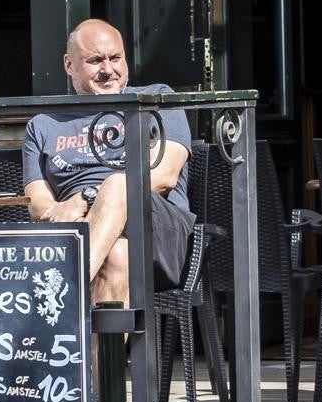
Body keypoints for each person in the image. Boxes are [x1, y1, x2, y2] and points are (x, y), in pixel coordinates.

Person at [22, 18, 194, 308]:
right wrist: (83, 215)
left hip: (158, 231)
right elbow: (38, 205)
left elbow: (164, 176)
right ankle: (95, 356)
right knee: (118, 257)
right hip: (83, 231)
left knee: (120, 183)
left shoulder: (156, 99)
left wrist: (87, 197)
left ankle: (66, 283)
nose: (108, 70)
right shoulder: (43, 124)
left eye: (115, 58)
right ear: (69, 65)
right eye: (95, 60)